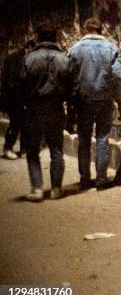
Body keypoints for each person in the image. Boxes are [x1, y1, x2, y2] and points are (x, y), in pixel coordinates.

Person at [68, 17, 121, 191]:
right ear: (101, 30)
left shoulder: (75, 49)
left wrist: (73, 97)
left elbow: (68, 75)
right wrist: (117, 93)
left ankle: (85, 179)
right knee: (102, 138)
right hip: (105, 99)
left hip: (83, 100)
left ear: (85, 30)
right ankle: (101, 179)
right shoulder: (111, 48)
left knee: (84, 140)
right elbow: (119, 75)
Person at [20, 22, 73, 202]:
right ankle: (56, 188)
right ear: (55, 38)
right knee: (56, 149)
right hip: (56, 108)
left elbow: (21, 84)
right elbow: (70, 85)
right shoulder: (64, 59)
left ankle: (36, 188)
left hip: (34, 109)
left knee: (33, 150)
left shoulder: (29, 59)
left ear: (38, 38)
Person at [1, 39, 36, 159]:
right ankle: (8, 148)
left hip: (21, 98)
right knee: (15, 123)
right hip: (14, 98)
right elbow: (11, 82)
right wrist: (21, 98)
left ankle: (24, 150)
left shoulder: (23, 58)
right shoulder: (14, 58)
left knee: (25, 124)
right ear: (30, 47)